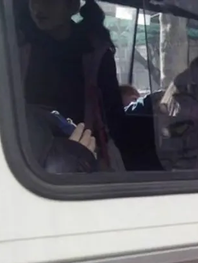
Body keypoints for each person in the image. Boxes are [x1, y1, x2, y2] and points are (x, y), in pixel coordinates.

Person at [17, 0, 127, 170]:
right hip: (28, 153)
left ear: (72, 6)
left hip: (85, 151)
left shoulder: (95, 53)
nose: (38, 8)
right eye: (33, 2)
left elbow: (113, 116)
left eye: (49, 2)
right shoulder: (18, 48)